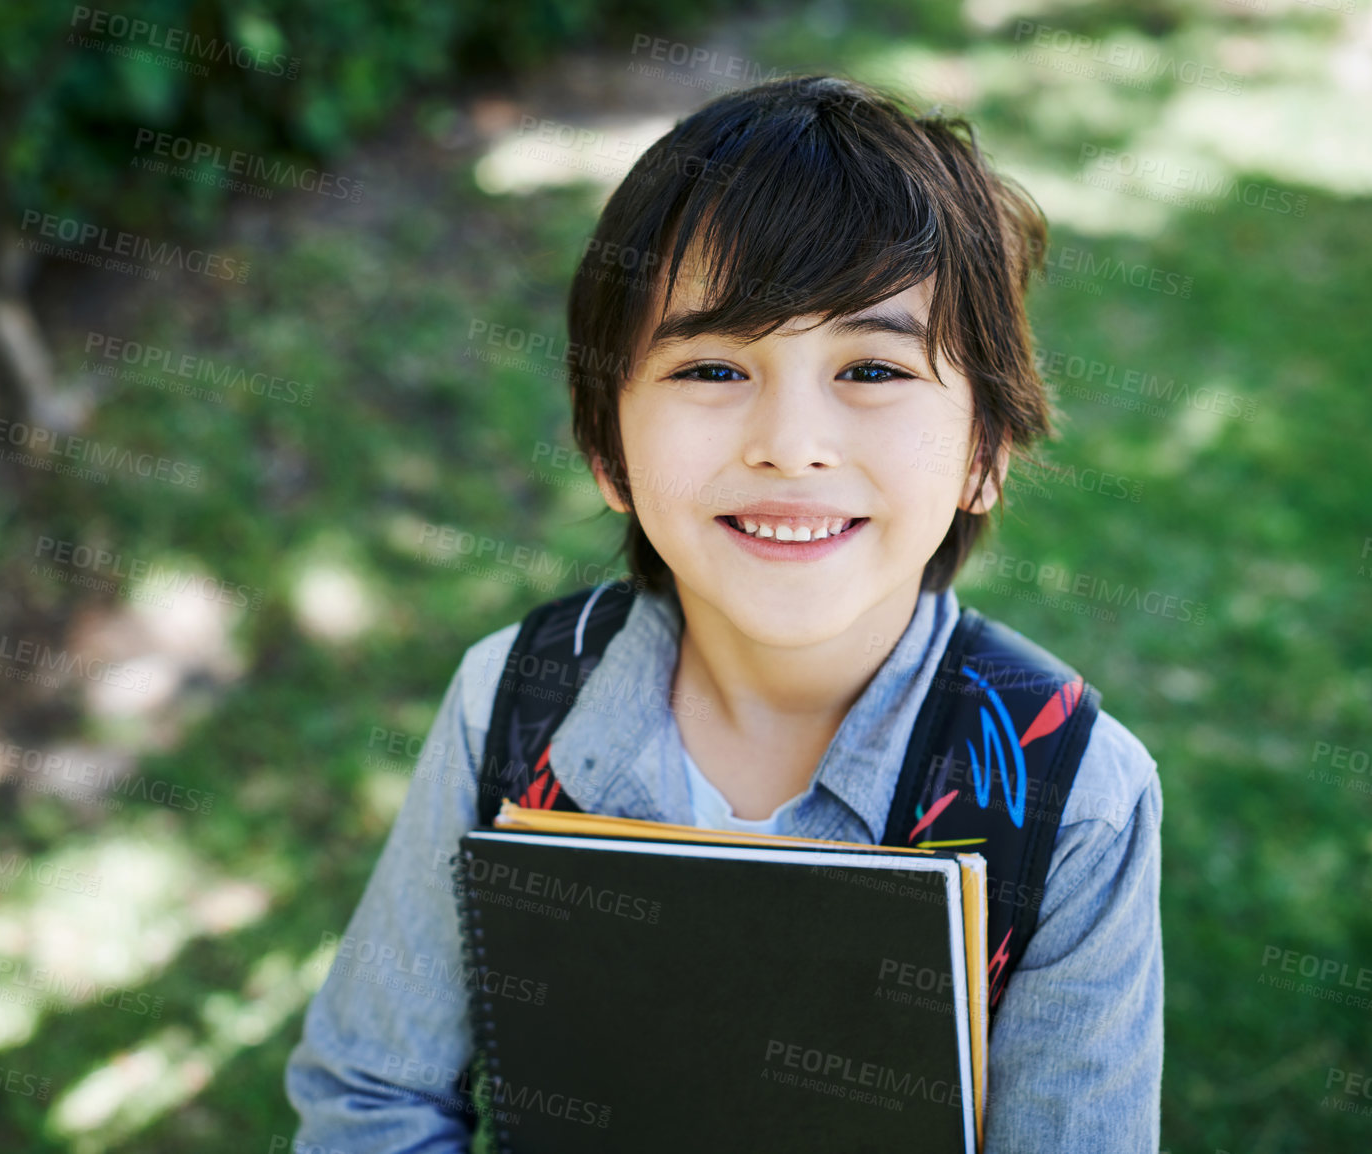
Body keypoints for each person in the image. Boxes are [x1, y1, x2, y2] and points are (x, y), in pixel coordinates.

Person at [285, 74, 1162, 1152]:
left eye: (873, 366)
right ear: (609, 447)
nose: (789, 442)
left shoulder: (1073, 796)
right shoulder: (514, 702)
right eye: (711, 365)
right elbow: (370, 1094)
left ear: (983, 450)